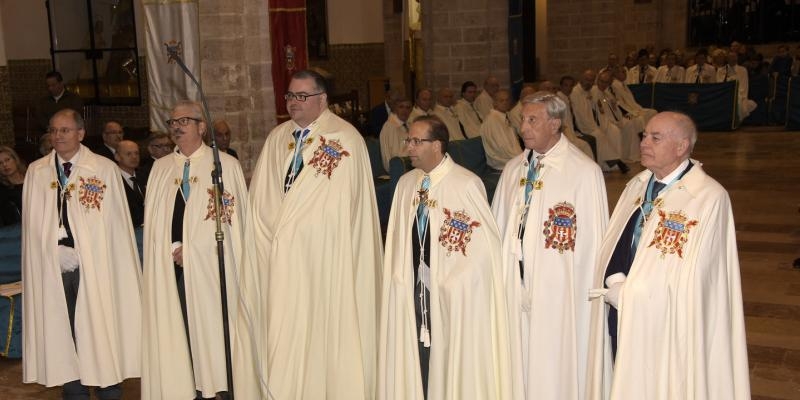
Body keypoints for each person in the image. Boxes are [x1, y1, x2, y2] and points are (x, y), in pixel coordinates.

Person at [586, 112, 750, 399]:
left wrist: (633, 293)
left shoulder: (707, 197)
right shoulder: (638, 184)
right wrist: (613, 278)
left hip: (670, 320)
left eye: (655, 137)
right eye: (644, 136)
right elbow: (618, 240)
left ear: (681, 146)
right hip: (621, 308)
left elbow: (701, 276)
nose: (644, 143)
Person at [246, 69, 382, 400]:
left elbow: (342, 204)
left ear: (322, 99)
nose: (294, 103)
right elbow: (261, 197)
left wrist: (306, 234)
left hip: (324, 256)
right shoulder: (277, 138)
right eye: (290, 96)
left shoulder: (344, 139)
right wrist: (271, 236)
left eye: (302, 96)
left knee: (322, 329)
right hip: (280, 255)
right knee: (284, 327)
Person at [378, 115, 513, 399]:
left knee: (446, 359)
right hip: (413, 288)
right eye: (408, 141)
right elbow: (397, 242)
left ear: (437, 145)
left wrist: (452, 282)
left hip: (449, 294)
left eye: (416, 141)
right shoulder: (405, 185)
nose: (409, 148)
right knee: (416, 357)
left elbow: (483, 250)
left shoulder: (465, 184)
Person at [492, 92, 608, 400]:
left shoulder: (584, 172)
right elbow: (498, 226)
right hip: (513, 281)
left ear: (555, 124)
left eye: (532, 120)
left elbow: (593, 243)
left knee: (553, 358)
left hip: (559, 288)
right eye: (522, 120)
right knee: (517, 352)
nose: (523, 128)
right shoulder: (513, 169)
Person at [141, 101, 258, 399]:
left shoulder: (224, 165)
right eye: (172, 122)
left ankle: (220, 386)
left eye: (185, 120)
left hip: (211, 270)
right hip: (171, 267)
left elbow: (230, 223)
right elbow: (155, 221)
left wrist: (194, 251)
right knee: (180, 329)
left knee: (214, 330)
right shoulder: (160, 168)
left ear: (201, 127)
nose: (177, 126)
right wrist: (172, 248)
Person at [22, 108, 141, 399]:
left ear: (80, 133)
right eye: (53, 130)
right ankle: (73, 391)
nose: (58, 136)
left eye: (64, 130)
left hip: (96, 269)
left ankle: (109, 390)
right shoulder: (37, 172)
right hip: (54, 268)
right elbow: (32, 224)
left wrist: (88, 252)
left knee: (101, 332)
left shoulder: (102, 169)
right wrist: (52, 248)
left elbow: (114, 226)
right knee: (64, 335)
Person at [569, 69, 628, 173]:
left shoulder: (589, 91)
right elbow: (579, 115)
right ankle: (615, 161)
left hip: (593, 124)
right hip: (582, 127)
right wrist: (591, 127)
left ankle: (614, 162)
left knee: (611, 132)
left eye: (592, 80)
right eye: (587, 79)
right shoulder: (575, 92)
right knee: (599, 135)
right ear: (581, 78)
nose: (589, 83)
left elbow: (596, 110)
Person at [480, 89, 523, 170]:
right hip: (501, 162)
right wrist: (521, 157)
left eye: (507, 100)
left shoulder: (505, 115)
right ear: (494, 103)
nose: (505, 103)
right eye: (501, 100)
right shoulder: (493, 120)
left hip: (513, 157)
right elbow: (501, 147)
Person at [114, 140, 145, 228]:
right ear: (117, 157)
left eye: (136, 153)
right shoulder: (114, 180)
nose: (134, 157)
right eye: (129, 154)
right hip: (127, 229)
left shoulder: (145, 176)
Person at [379, 96, 413, 172]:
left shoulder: (409, 125)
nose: (405, 110)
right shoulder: (389, 127)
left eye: (408, 108)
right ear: (395, 109)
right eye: (401, 107)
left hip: (410, 165)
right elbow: (389, 156)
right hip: (399, 169)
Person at [0, 146, 26, 226]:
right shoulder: (2, 189)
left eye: (7, 160)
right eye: (0, 163)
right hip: (15, 229)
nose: (4, 165)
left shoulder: (32, 177)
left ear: (15, 159)